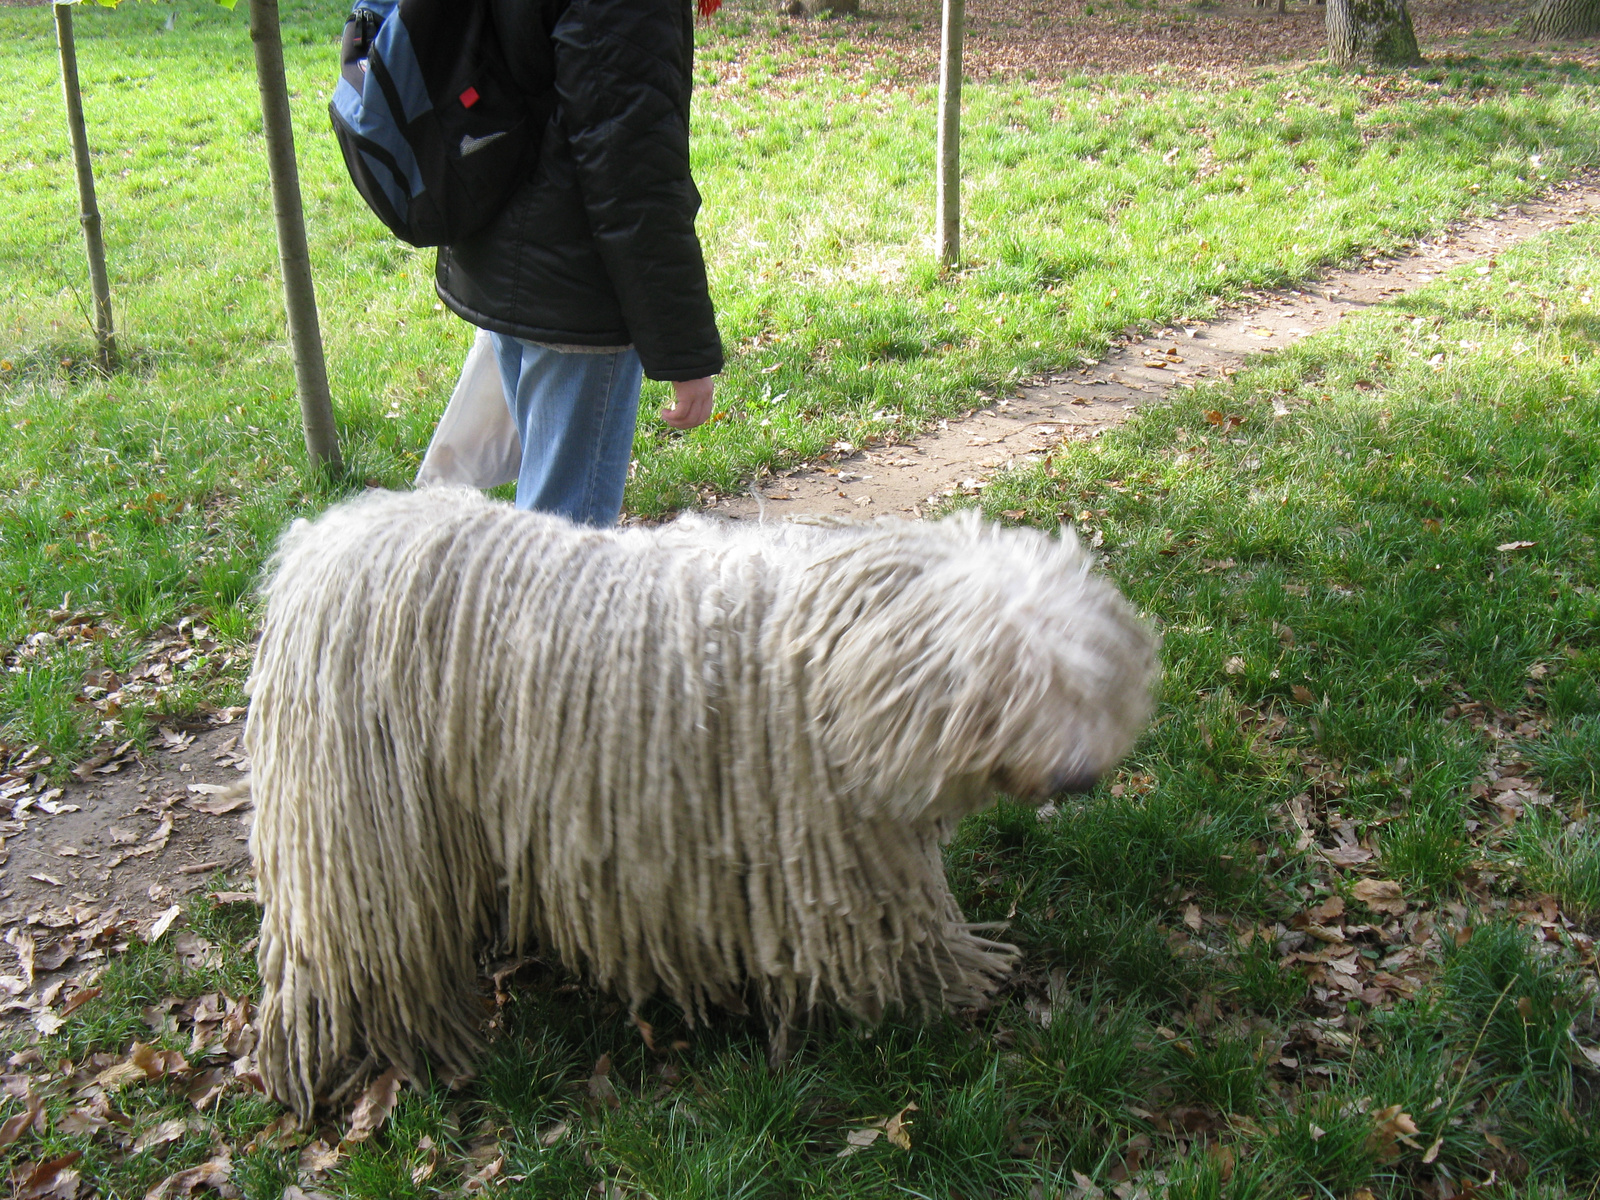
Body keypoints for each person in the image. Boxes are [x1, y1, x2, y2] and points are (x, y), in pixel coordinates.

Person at [434, 0, 722, 526]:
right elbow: (634, 176)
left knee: (541, 526)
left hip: (504, 249)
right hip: (575, 287)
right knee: (564, 549)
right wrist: (686, 354)